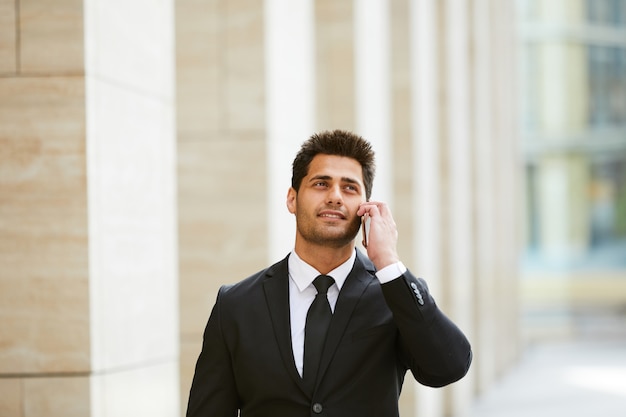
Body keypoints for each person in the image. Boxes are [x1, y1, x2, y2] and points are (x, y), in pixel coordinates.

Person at [186, 129, 472, 417]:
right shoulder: (235, 305)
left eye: (349, 187)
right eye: (321, 184)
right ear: (292, 200)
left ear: (365, 207)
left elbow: (448, 367)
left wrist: (387, 260)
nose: (335, 197)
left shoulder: (394, 296)